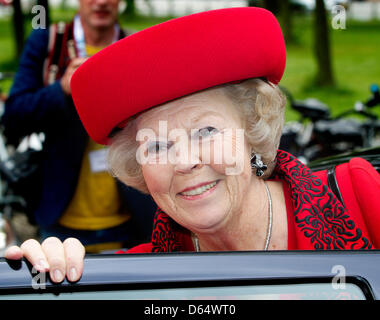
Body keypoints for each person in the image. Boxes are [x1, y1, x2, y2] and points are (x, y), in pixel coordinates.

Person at [5, 7, 380, 283]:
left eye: (206, 132)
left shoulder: (359, 197)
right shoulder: (137, 276)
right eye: (157, 146)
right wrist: (49, 274)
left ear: (252, 130)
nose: (184, 162)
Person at [1, 0, 156, 252]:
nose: (102, 2)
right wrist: (61, 89)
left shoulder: (136, 45)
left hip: (133, 218)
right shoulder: (50, 41)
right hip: (61, 221)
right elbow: (14, 116)